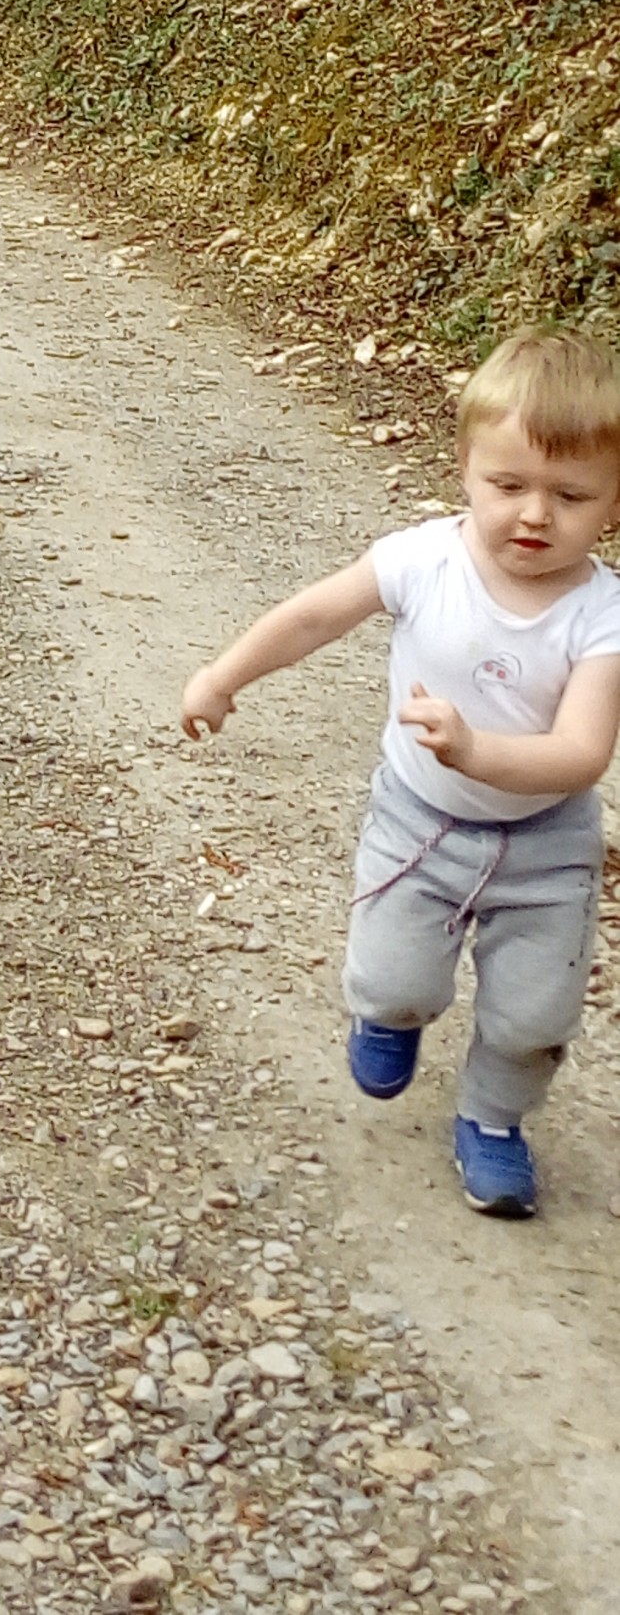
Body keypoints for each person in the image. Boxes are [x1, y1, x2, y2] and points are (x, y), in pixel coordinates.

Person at [180, 326, 620, 1218]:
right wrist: (223, 676)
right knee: (396, 978)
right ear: (465, 469)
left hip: (547, 844)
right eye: (508, 485)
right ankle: (387, 1014)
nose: (536, 514)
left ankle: (493, 1120)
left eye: (571, 494)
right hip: (421, 822)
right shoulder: (424, 559)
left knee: (534, 1015)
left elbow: (582, 752)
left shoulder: (602, 614)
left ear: (613, 501)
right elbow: (314, 615)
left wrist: (476, 748)